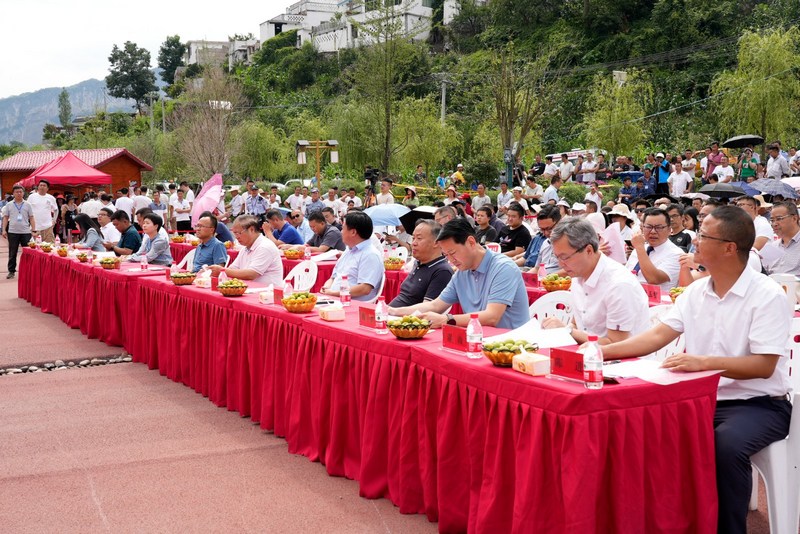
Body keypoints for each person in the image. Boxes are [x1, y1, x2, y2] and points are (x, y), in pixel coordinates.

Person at [603, 205, 792, 534]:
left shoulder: (767, 295)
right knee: (649, 432)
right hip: (700, 400)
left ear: (729, 248)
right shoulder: (695, 292)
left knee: (725, 446)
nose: (694, 242)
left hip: (759, 404)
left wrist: (703, 363)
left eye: (703, 236)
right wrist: (598, 352)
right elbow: (655, 337)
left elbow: (764, 366)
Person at [388, 218, 529, 329]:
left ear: (471, 242)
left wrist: (447, 319)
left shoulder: (503, 268)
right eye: (446, 255)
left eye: (452, 253)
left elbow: (492, 316)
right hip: (478, 338)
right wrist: (394, 311)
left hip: (511, 344)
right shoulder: (462, 272)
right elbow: (435, 305)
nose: (450, 260)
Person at [541, 217, 649, 344]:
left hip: (620, 360)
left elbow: (616, 344)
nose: (561, 264)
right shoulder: (578, 274)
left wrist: (567, 331)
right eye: (557, 257)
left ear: (588, 250)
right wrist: (565, 329)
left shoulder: (619, 284)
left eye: (565, 257)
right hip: (587, 353)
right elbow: (578, 324)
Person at [320, 211, 384, 301]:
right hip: (334, 300)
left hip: (351, 304)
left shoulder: (371, 255)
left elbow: (365, 289)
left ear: (353, 232)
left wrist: (334, 294)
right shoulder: (348, 250)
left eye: (343, 228)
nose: (341, 232)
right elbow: (333, 277)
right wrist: (326, 288)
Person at [388, 220, 453, 307]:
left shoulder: (442, 271)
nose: (413, 243)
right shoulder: (418, 263)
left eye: (419, 238)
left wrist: (393, 312)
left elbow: (428, 309)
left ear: (436, 243)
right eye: (413, 238)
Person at [208, 215, 283, 287]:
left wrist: (222, 270)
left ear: (251, 229)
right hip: (250, 289)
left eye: (238, 233)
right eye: (234, 233)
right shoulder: (245, 248)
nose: (236, 237)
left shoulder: (265, 246)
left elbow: (252, 274)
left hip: (268, 293)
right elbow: (234, 268)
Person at [625, 207, 683, 292]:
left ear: (669, 230)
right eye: (648, 227)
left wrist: (639, 248)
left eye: (658, 227)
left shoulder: (676, 254)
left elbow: (653, 279)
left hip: (657, 303)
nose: (653, 231)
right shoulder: (640, 248)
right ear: (642, 228)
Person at [1, 185, 35, 279]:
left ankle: (29, 270)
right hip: (13, 232)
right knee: (12, 252)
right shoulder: (9, 205)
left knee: (28, 253)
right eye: (17, 192)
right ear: (13, 194)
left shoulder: (28, 205)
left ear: (23, 193)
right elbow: (5, 217)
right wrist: (4, 230)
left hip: (26, 232)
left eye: (20, 192)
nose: (19, 193)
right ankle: (11, 271)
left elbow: (31, 218)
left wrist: (34, 229)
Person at [515, 204, 560, 268]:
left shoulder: (571, 242)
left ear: (559, 222)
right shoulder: (545, 242)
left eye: (549, 229)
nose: (546, 233)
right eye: (542, 229)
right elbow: (537, 268)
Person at [762, 201, 800, 275]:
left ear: (794, 218)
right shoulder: (773, 246)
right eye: (772, 220)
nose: (774, 224)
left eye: (779, 219)